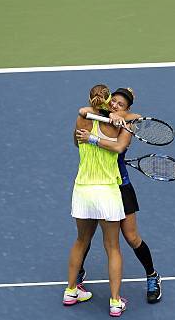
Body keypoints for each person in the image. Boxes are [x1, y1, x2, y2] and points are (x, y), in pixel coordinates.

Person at [76, 87, 163, 304]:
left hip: (120, 187)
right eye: (113, 101)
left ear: (127, 109)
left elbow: (124, 140)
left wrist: (119, 118)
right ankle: (77, 274)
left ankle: (152, 276)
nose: (115, 105)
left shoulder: (128, 124)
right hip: (98, 186)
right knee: (87, 235)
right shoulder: (98, 115)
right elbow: (83, 109)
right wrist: (110, 114)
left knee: (131, 237)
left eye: (121, 104)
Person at [64, 84, 131, 317]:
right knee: (112, 247)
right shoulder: (118, 126)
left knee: (81, 241)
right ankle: (114, 302)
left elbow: (76, 142)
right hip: (106, 192)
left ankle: (71, 290)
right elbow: (120, 147)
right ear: (109, 100)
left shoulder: (82, 119)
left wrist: (92, 130)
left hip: (82, 190)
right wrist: (114, 119)